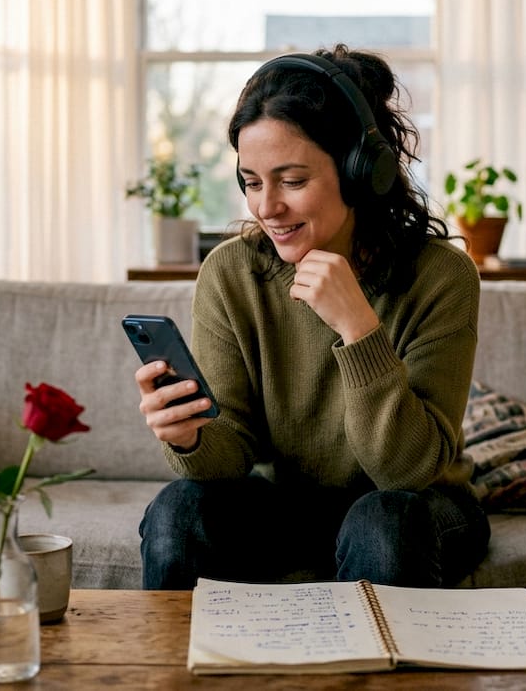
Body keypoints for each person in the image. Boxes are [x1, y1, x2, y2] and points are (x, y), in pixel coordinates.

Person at [134, 45, 489, 590]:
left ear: (359, 173)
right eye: (252, 182)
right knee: (178, 511)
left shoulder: (441, 276)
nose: (266, 207)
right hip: (287, 504)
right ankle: (185, 676)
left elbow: (406, 471)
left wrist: (359, 329)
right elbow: (227, 462)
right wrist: (189, 438)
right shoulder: (232, 274)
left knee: (383, 520)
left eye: (292, 181)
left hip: (418, 507)